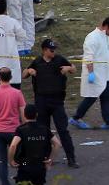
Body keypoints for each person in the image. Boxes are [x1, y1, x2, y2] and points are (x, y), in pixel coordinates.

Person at [22, 39, 78, 168]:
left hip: (57, 101)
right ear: (44, 50)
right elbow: (24, 73)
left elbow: (73, 69)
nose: (54, 52)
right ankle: (45, 157)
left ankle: (71, 158)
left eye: (54, 50)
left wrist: (68, 68)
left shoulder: (59, 60)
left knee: (63, 130)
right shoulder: (37, 62)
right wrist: (29, 71)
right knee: (43, 131)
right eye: (51, 50)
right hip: (41, 101)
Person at [70, 16, 109, 130]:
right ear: (105, 26)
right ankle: (76, 118)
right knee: (91, 97)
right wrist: (91, 73)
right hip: (95, 73)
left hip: (105, 75)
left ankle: (108, 121)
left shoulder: (105, 36)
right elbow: (88, 57)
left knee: (106, 96)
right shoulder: (92, 37)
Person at [8, 105, 61, 185]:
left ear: (24, 115)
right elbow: (57, 144)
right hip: (39, 166)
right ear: (36, 115)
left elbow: (13, 145)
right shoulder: (44, 129)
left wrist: (11, 160)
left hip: (25, 165)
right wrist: (50, 159)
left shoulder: (21, 129)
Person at [0, 0, 25, 88]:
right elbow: (22, 36)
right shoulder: (13, 22)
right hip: (11, 61)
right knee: (13, 88)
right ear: (6, 9)